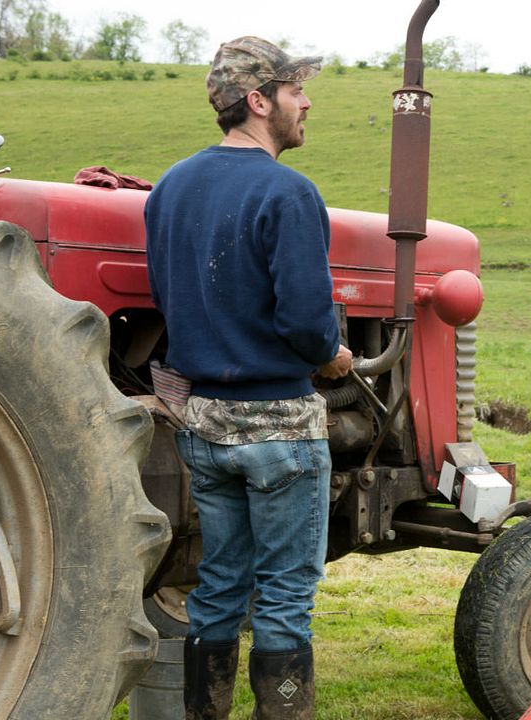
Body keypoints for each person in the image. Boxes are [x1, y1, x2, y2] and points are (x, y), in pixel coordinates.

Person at [145, 36, 353, 720]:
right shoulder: (289, 194)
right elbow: (307, 324)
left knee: (218, 588)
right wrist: (334, 357)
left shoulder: (170, 188)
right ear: (259, 102)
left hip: (203, 428)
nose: (307, 102)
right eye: (296, 91)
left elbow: (171, 298)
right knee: (286, 598)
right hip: (280, 431)